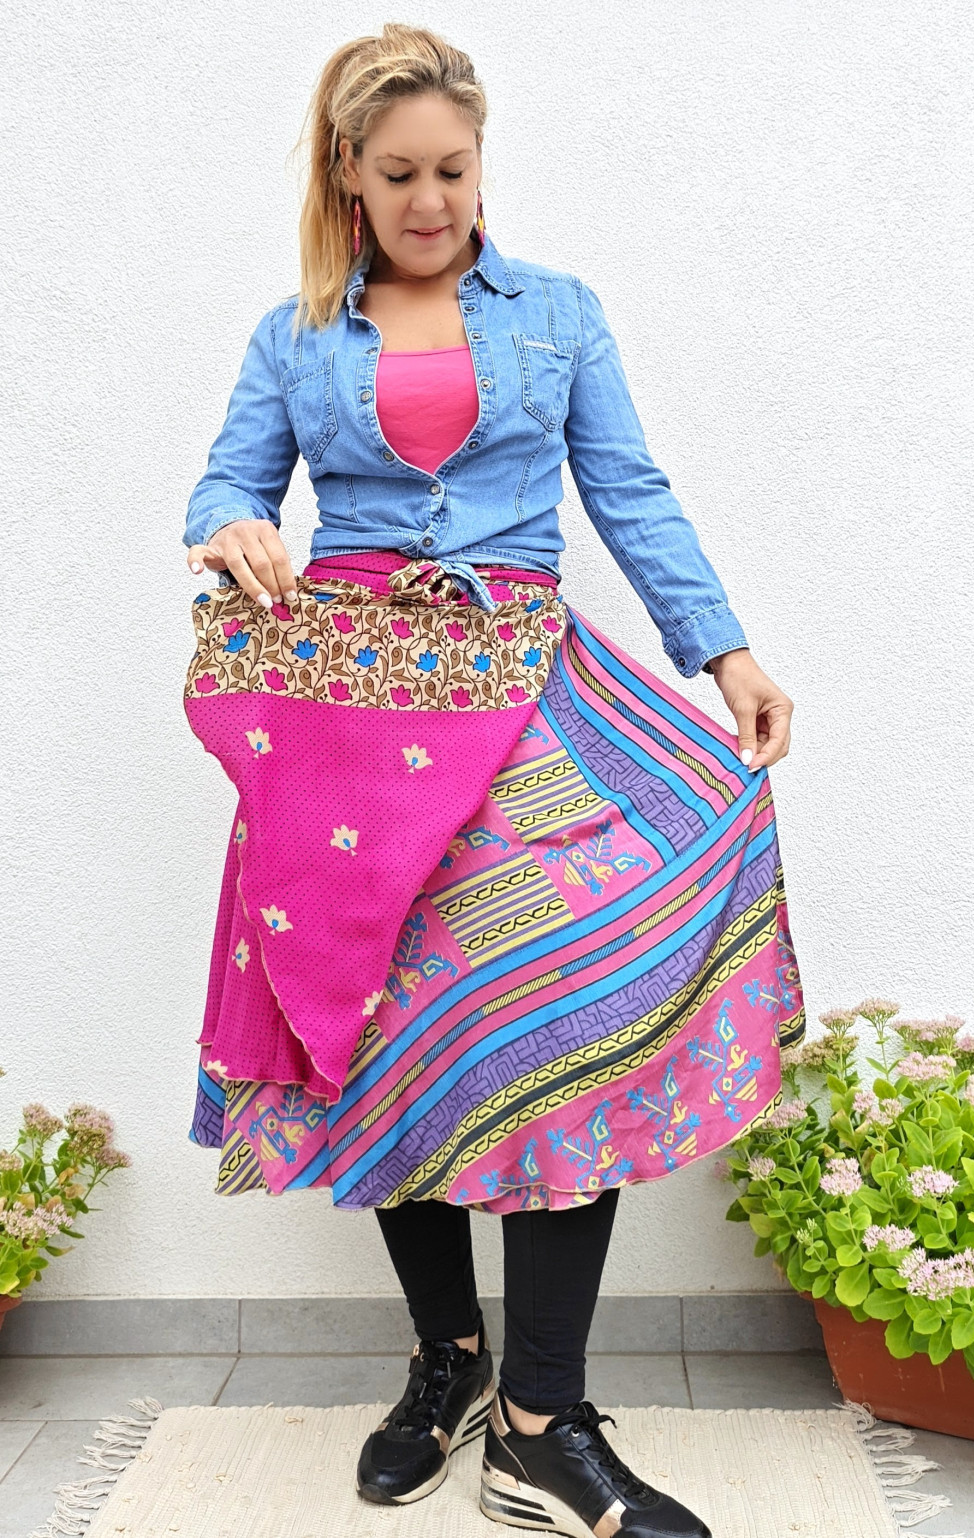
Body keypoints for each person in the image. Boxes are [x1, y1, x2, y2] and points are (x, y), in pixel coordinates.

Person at [182, 24, 802, 1538]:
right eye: (399, 173)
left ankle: (541, 1415)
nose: (431, 201)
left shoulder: (558, 314)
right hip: (357, 710)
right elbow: (228, 479)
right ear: (348, 171)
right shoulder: (293, 333)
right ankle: (448, 1360)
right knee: (378, 1018)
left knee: (571, 1010)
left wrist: (723, 652)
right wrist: (231, 527)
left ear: (481, 163)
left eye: (453, 170)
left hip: (527, 685)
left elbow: (628, 488)